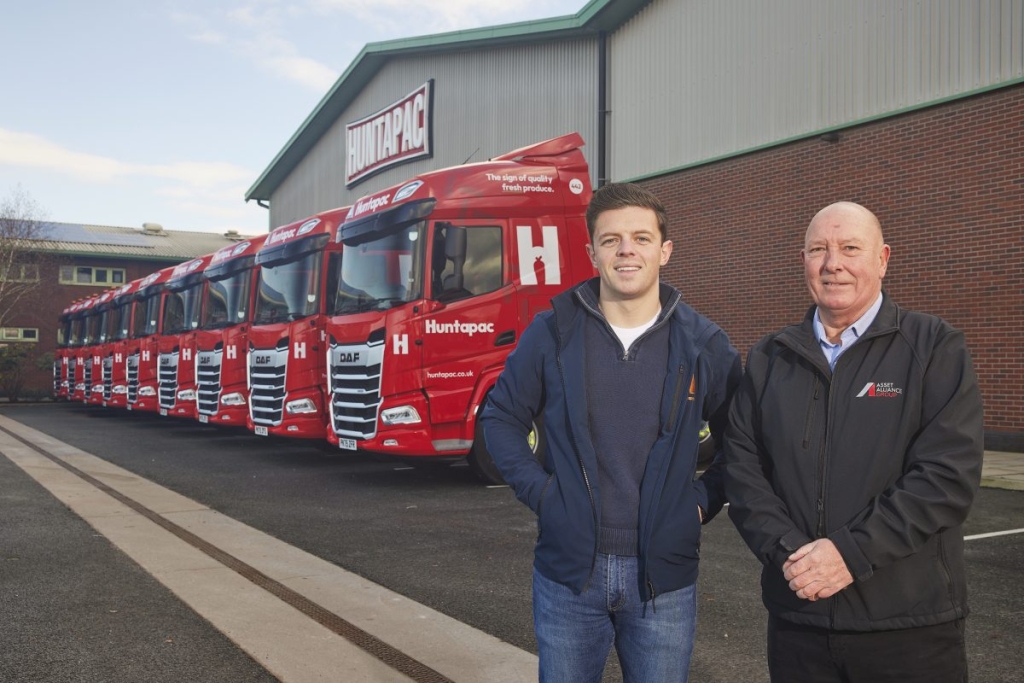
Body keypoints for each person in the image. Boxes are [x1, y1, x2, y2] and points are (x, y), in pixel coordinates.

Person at [480, 182, 741, 682]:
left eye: (641, 238)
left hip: (663, 579)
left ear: (665, 250)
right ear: (592, 253)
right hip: (569, 576)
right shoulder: (552, 332)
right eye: (611, 240)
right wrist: (543, 496)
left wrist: (700, 504)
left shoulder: (703, 343)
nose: (626, 250)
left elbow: (743, 442)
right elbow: (501, 417)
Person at [722, 201, 984, 682]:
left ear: (882, 259)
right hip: (800, 621)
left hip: (909, 629)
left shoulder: (933, 347)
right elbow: (743, 471)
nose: (832, 263)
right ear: (803, 260)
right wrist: (791, 554)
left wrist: (849, 554)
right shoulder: (770, 357)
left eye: (849, 248)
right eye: (818, 250)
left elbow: (947, 477)